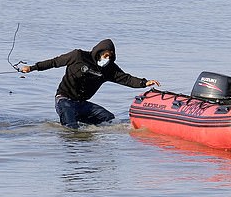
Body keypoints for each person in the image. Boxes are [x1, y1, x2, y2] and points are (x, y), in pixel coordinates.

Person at [20, 39, 161, 129]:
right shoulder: (78, 56)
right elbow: (54, 62)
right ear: (99, 52)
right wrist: (32, 68)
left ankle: (84, 126)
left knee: (109, 119)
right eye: (106, 56)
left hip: (82, 103)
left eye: (110, 57)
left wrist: (144, 83)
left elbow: (126, 79)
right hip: (64, 100)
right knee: (71, 128)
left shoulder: (109, 69)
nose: (107, 59)